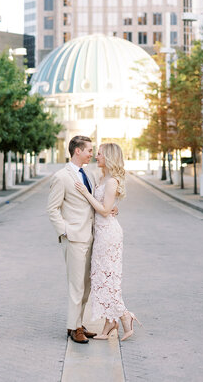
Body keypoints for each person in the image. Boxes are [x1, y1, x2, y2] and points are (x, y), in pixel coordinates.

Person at [75, 142, 141, 341]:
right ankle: (111, 321)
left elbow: (104, 210)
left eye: (100, 153)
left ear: (110, 156)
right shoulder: (103, 177)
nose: (97, 156)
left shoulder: (112, 181)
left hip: (109, 235)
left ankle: (123, 316)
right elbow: (108, 207)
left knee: (108, 278)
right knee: (101, 279)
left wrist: (86, 194)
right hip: (102, 233)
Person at [47, 135, 98, 344]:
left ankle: (78, 322)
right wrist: (65, 231)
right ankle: (74, 327)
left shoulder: (89, 174)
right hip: (74, 238)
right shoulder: (61, 177)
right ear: (78, 150)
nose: (91, 153)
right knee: (76, 285)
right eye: (89, 150)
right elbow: (52, 209)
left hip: (91, 236)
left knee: (86, 285)